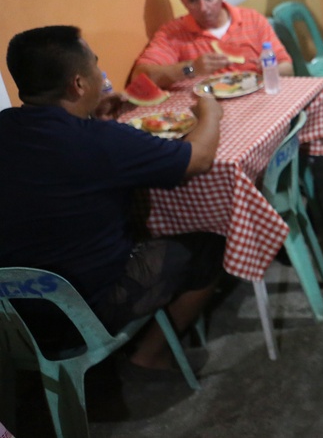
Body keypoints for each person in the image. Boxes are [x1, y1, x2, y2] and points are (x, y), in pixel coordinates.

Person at [1, 26, 225, 372]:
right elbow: (200, 158)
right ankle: (150, 353)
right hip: (81, 312)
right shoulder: (98, 140)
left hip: (13, 316)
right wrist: (210, 113)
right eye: (94, 64)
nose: (100, 72)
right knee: (209, 246)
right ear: (78, 84)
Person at [132, 0, 292, 88]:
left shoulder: (253, 20)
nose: (203, 8)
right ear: (182, 1)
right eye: (193, 1)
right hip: (207, 114)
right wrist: (191, 68)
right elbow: (139, 77)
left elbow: (287, 68)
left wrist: (269, 70)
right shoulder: (172, 33)